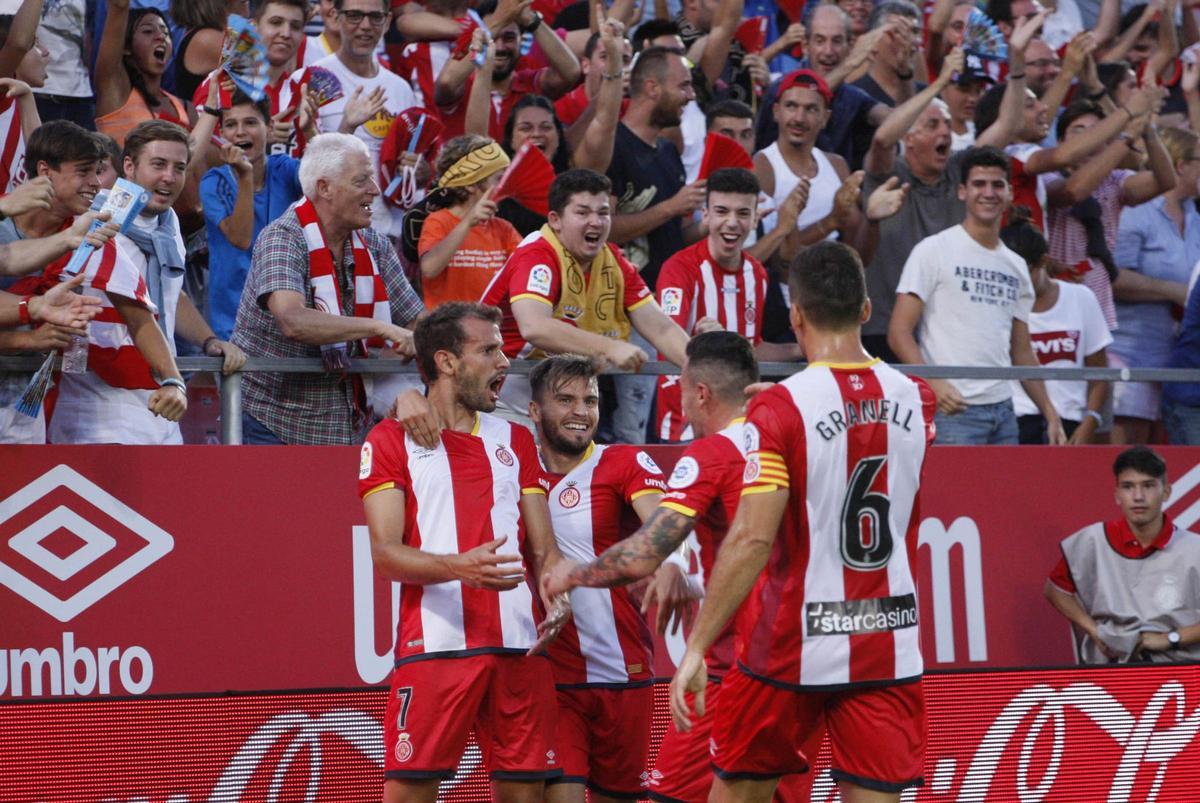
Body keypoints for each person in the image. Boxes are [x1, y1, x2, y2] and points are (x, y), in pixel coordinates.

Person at [670, 241, 936, 803]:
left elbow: (751, 537)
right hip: (887, 638)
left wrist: (696, 647)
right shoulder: (919, 400)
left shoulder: (780, 410)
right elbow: (857, 422)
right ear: (866, 310)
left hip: (789, 644)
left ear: (795, 315)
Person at [543, 331, 773, 803]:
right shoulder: (795, 442)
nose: (682, 405)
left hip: (735, 668)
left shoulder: (709, 455)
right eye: (566, 399)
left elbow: (651, 546)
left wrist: (575, 573)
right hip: (800, 663)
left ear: (701, 393)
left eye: (683, 390)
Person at [358, 301, 570, 803]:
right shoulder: (390, 439)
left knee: (525, 794)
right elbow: (386, 555)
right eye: (490, 350)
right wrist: (459, 567)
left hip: (521, 647)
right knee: (410, 793)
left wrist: (557, 592)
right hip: (438, 647)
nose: (505, 362)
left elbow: (544, 550)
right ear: (447, 362)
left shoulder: (517, 439)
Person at [48, 120, 244, 444]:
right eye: (158, 164)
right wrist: (173, 379)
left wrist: (209, 340)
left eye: (179, 167)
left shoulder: (169, 223)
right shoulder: (98, 218)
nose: (169, 176)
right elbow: (136, 312)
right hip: (100, 405)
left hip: (160, 400)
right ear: (129, 165)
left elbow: (169, 294)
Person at [528, 354, 669, 803]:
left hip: (623, 673)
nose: (581, 411)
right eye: (565, 399)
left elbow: (664, 526)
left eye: (590, 400)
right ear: (534, 411)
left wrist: (669, 561)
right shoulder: (514, 470)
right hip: (550, 678)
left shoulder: (624, 461)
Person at [230, 133, 423, 445]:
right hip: (276, 424)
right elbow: (293, 320)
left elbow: (415, 320)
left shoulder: (374, 243)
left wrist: (418, 344)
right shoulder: (281, 237)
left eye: (372, 179)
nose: (374, 190)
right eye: (362, 181)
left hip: (351, 422)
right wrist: (377, 328)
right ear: (324, 188)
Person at [479, 168, 689, 425]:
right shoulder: (537, 256)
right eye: (583, 212)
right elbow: (534, 327)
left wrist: (699, 370)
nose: (596, 222)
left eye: (603, 213)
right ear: (555, 220)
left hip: (556, 404)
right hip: (496, 400)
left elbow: (662, 328)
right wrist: (609, 347)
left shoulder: (613, 261)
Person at [888, 146, 1066, 445]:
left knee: (1004, 494)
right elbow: (898, 331)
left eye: (997, 184)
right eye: (979, 184)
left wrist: (1049, 410)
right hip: (953, 409)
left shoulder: (1017, 266)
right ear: (962, 192)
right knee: (954, 493)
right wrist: (933, 383)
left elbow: (1021, 351)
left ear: (1010, 193)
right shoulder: (933, 250)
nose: (989, 192)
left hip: (1004, 410)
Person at [653, 168, 801, 442]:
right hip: (683, 428)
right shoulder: (679, 269)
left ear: (756, 218)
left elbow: (752, 348)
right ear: (706, 215)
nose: (732, 222)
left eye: (743, 213)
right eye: (722, 211)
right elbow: (666, 341)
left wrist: (802, 347)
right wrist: (712, 346)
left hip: (737, 429)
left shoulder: (757, 274)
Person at [1045, 446, 1200, 663]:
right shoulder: (1092, 541)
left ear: (1166, 492)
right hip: (1110, 667)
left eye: (1148, 486)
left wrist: (1170, 638)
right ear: (1117, 494)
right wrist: (1093, 630)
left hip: (1180, 667)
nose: (1138, 497)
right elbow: (1055, 589)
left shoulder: (1195, 548)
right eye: (1128, 487)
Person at [289, 0, 419, 239]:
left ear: (388, 20)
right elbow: (301, 172)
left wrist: (416, 170)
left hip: (390, 234)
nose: (366, 26)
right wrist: (347, 126)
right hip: (334, 235)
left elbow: (415, 172)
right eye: (354, 16)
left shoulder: (401, 89)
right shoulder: (309, 81)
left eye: (375, 17)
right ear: (336, 17)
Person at [1108, 126, 1200, 444]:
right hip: (1127, 352)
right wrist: (1174, 291)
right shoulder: (1136, 211)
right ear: (1180, 164)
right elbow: (1112, 277)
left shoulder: (1195, 216)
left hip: (1175, 359)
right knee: (1128, 455)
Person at [1000, 210, 1111, 444]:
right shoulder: (999, 303)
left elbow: (1100, 373)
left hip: (1071, 421)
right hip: (1015, 422)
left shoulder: (1081, 298)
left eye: (1022, 274)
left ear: (1042, 262)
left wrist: (1089, 423)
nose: (1015, 283)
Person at [200, 91, 303, 340]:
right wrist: (245, 176)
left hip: (290, 322)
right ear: (222, 134)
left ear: (269, 127)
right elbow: (240, 238)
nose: (240, 132)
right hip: (232, 326)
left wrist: (310, 133)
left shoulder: (286, 168)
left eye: (250, 122)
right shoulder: (213, 182)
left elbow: (326, 183)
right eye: (231, 125)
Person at [433, 0, 580, 141]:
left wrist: (531, 19)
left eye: (509, 38)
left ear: (520, 41)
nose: (500, 47)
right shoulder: (462, 87)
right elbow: (446, 82)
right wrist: (499, 20)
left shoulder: (529, 83)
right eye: (493, 37)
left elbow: (570, 72)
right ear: (477, 38)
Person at [417, 135, 521, 308]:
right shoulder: (438, 221)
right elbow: (429, 269)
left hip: (490, 329)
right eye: (499, 179)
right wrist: (468, 223)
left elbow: (527, 269)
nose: (505, 187)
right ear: (470, 185)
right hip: (447, 329)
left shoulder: (504, 229)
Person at [94, 0, 189, 147]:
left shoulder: (186, 108)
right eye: (148, 31)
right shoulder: (115, 91)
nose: (161, 37)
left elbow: (197, 163)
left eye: (165, 32)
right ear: (126, 47)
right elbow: (119, 7)